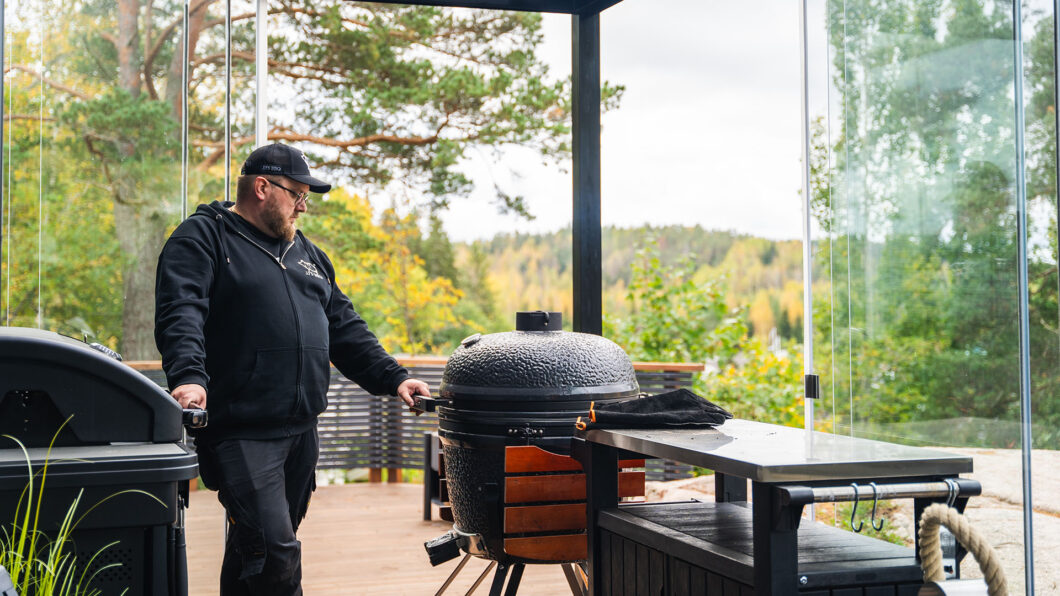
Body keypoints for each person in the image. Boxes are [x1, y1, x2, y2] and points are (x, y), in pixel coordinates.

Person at [154, 143, 430, 596]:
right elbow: (180, 313)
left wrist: (395, 376)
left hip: (301, 432)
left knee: (255, 551)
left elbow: (345, 328)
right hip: (241, 430)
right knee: (276, 552)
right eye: (297, 194)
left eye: (306, 197)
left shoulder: (307, 254)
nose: (303, 206)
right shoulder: (204, 239)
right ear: (261, 187)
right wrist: (188, 377)